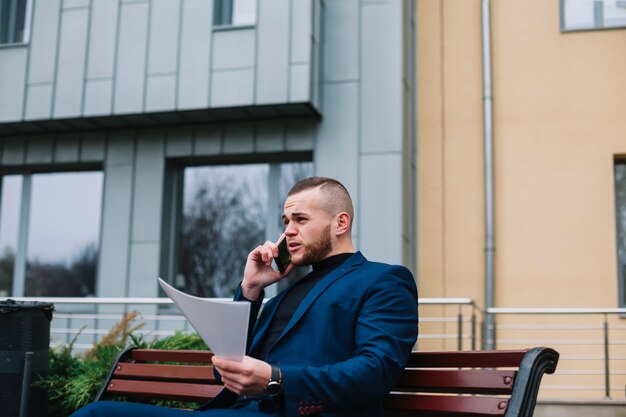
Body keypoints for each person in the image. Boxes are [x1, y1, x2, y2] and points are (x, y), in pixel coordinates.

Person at [72, 176, 418, 417]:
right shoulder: (284, 292)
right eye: (285, 221)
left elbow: (375, 372)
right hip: (236, 410)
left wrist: (277, 380)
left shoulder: (383, 280)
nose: (288, 231)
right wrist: (250, 289)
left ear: (340, 223)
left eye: (300, 219)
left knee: (98, 414)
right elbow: (227, 370)